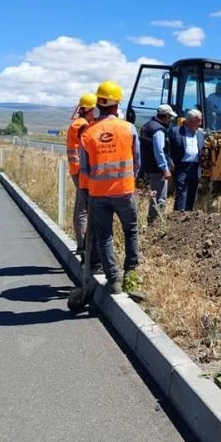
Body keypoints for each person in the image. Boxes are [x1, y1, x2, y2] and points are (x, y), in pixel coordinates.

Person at [80, 80, 141, 295]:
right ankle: (132, 276)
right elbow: (137, 162)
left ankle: (114, 279)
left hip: (97, 194)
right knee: (131, 230)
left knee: (104, 236)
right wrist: (128, 180)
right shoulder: (129, 128)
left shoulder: (88, 133)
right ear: (117, 105)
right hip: (124, 191)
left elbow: (85, 169)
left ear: (98, 104)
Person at [66, 93, 97, 255]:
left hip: (78, 169)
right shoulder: (82, 125)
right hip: (80, 170)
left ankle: (82, 243)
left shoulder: (80, 122)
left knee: (82, 206)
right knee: (82, 207)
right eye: (94, 110)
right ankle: (82, 244)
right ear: (87, 110)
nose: (95, 113)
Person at [139, 103, 177, 224]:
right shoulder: (158, 130)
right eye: (170, 117)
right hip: (157, 169)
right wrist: (165, 168)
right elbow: (159, 151)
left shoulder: (147, 126)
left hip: (147, 166)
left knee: (154, 197)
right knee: (159, 199)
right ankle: (154, 224)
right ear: (165, 116)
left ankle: (153, 222)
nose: (170, 120)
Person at [167, 109, 204, 212]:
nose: (200, 124)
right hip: (181, 166)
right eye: (198, 121)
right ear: (189, 121)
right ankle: (179, 215)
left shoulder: (200, 134)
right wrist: (170, 162)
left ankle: (189, 217)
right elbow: (167, 149)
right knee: (182, 192)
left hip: (195, 167)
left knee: (192, 192)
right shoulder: (175, 132)